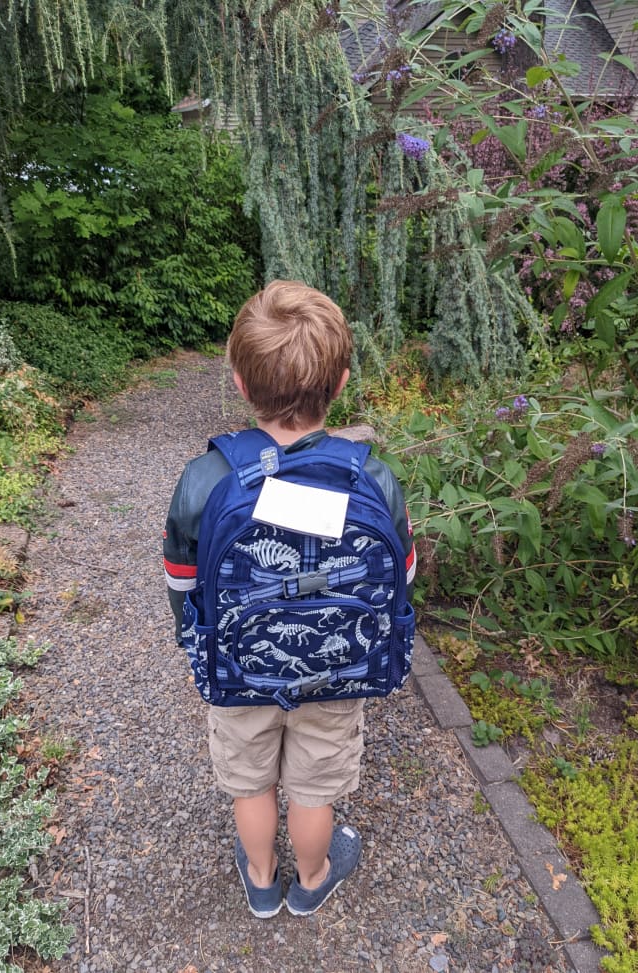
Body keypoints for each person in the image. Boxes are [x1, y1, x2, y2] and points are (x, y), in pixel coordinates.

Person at [163, 280, 416, 918]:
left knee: (251, 782)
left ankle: (260, 876)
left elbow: (182, 583)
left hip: (239, 666)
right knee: (313, 787)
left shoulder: (206, 478)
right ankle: (311, 878)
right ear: (341, 383)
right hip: (338, 671)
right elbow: (399, 583)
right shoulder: (373, 479)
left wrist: (203, 646)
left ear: (241, 384)